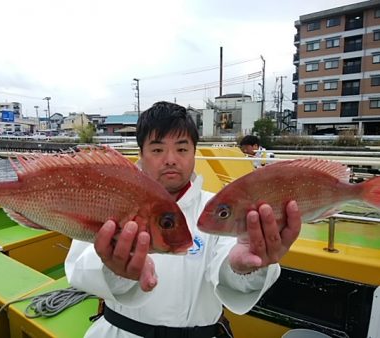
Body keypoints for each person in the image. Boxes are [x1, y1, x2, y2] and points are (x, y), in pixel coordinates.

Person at [65, 101, 301, 338]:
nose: (170, 159)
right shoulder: (109, 201)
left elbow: (232, 274)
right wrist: (115, 271)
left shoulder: (219, 212)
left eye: (181, 149)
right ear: (141, 154)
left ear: (194, 153)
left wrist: (247, 268)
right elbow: (80, 268)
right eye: (157, 150)